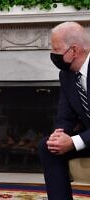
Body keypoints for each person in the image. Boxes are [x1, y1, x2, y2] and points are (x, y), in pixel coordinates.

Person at [38, 21, 90, 200]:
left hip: (86, 138)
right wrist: (59, 136)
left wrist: (74, 142)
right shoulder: (66, 74)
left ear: (74, 50)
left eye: (56, 49)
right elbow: (65, 115)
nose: (52, 55)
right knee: (47, 147)